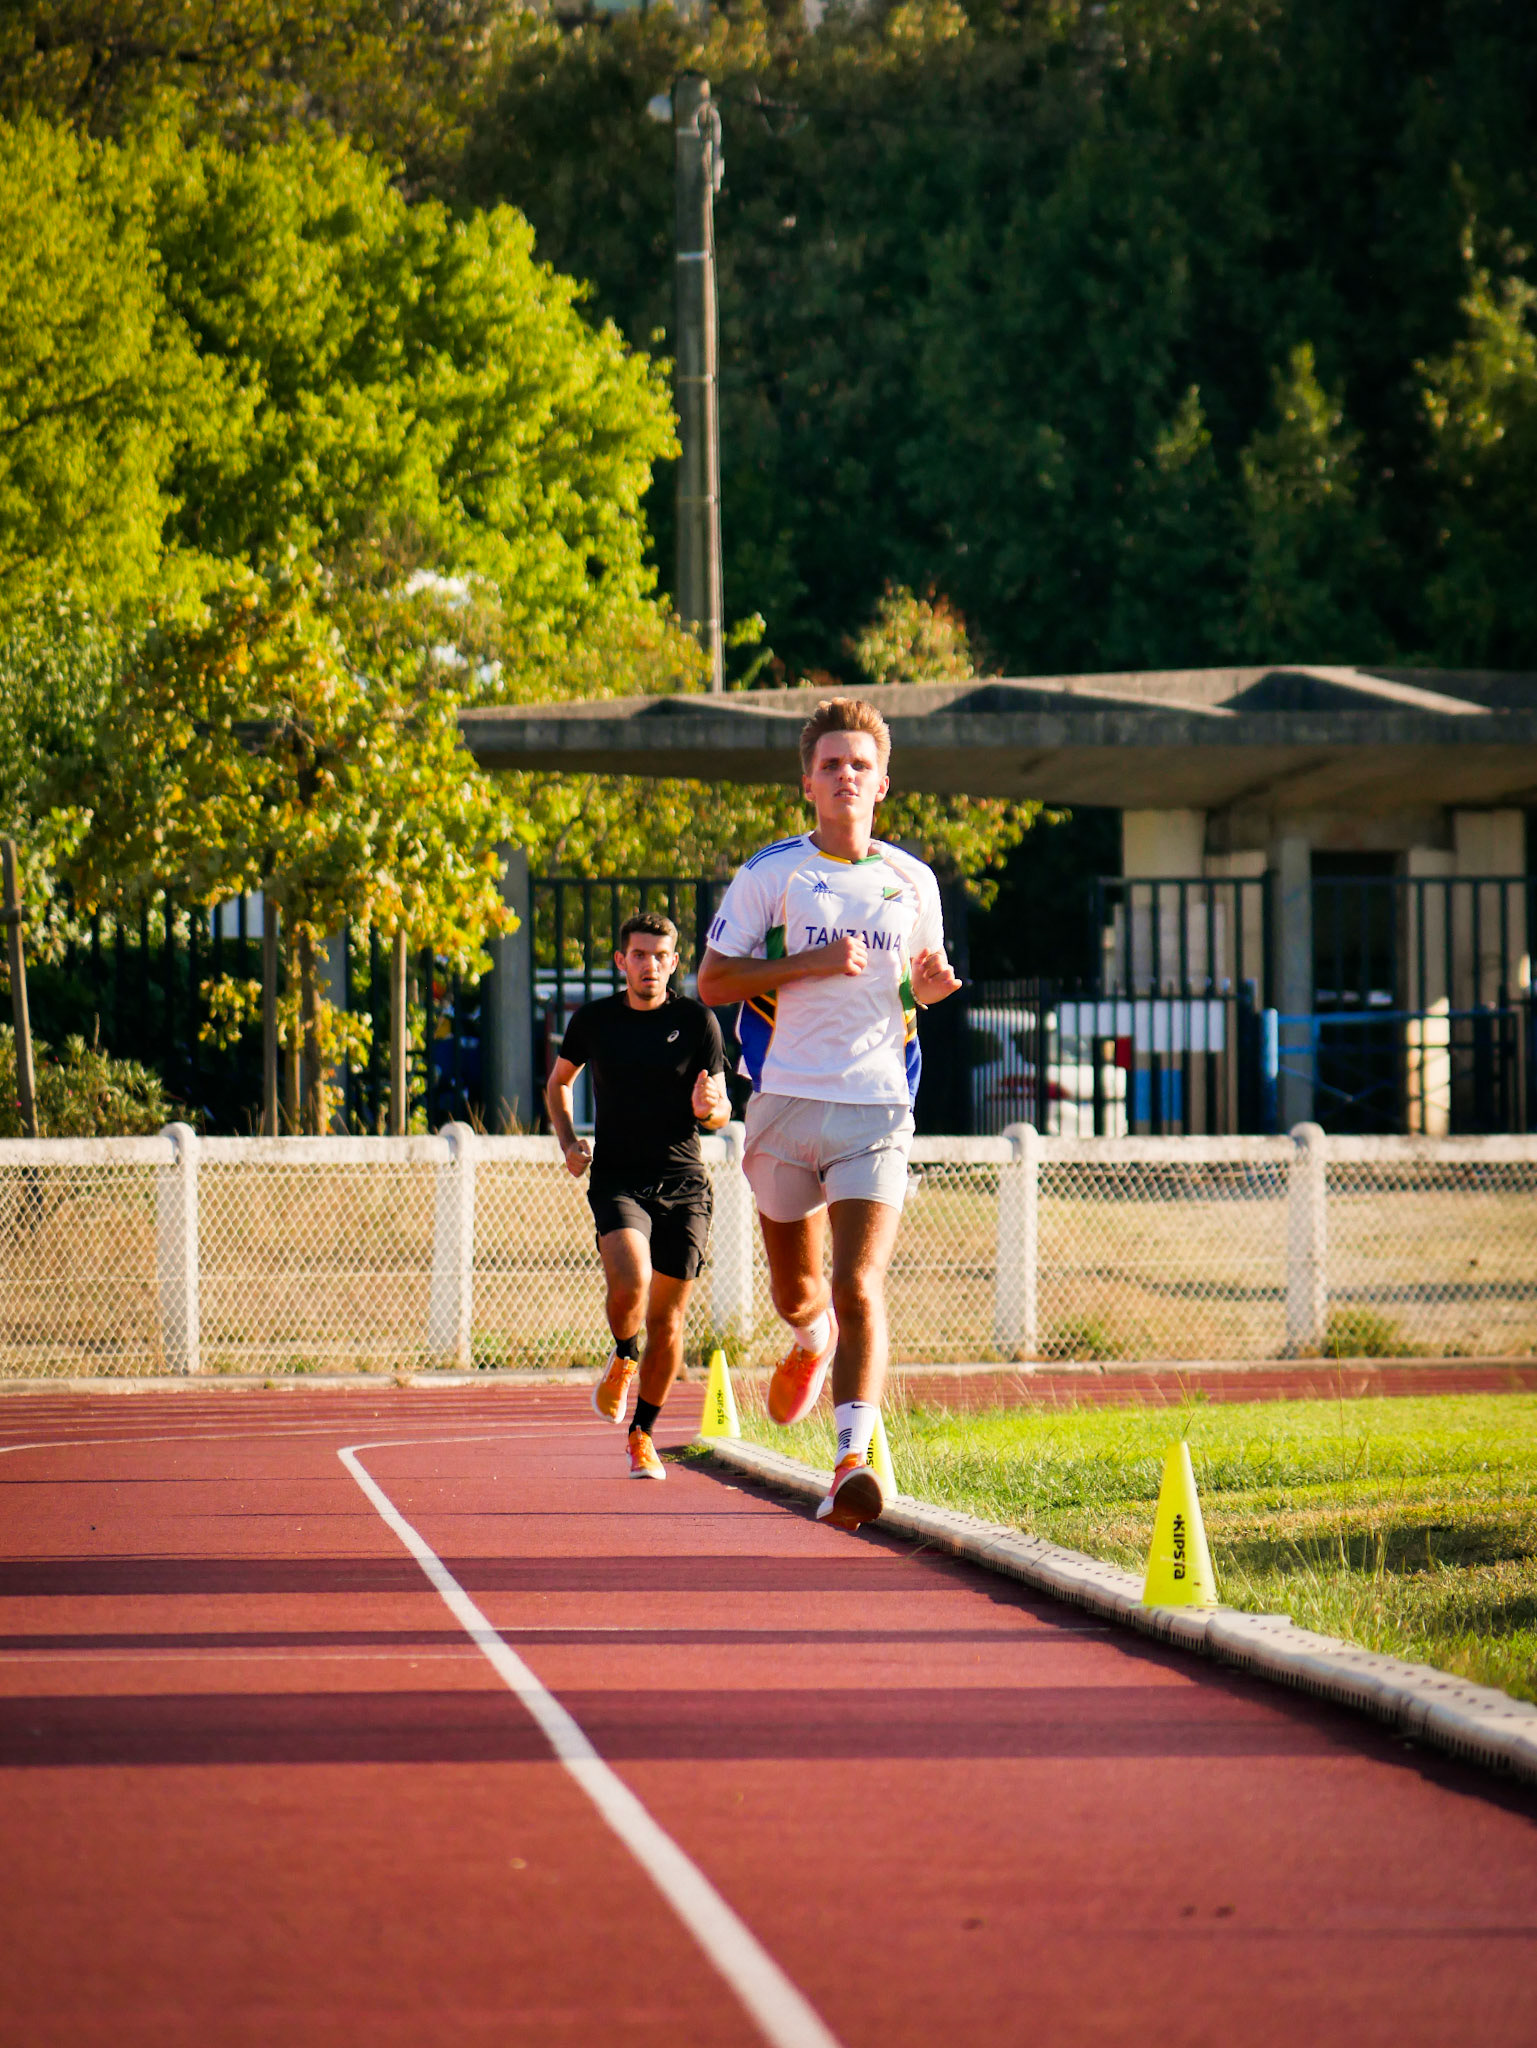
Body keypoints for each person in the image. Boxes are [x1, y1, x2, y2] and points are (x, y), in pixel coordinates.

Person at [697, 697, 962, 1530]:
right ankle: (809, 1347)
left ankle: (851, 1458)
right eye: (830, 765)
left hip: (878, 1103)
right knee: (796, 1290)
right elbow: (709, 982)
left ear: (883, 782)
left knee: (857, 1281)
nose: (845, 776)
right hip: (782, 1100)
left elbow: (919, 986)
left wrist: (929, 989)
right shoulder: (770, 874)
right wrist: (807, 961)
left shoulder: (911, 880)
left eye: (859, 765)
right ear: (807, 783)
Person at [547, 911, 731, 1479]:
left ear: (674, 963)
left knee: (670, 1322)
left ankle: (643, 1434)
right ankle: (624, 1353)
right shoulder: (595, 1021)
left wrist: (712, 1111)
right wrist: (569, 1141)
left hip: (684, 1183)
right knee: (631, 1282)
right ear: (621, 961)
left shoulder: (697, 1021)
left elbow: (721, 1109)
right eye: (639, 955)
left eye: (661, 956)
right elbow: (559, 1082)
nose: (649, 965)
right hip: (619, 1177)